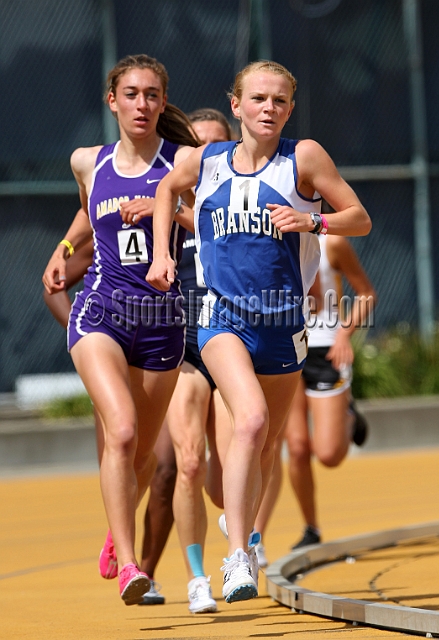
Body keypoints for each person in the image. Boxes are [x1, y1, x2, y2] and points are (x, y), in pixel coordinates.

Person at [147, 59, 372, 604]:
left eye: (279, 101)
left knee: (267, 441)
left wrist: (312, 221)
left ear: (290, 108)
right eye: (258, 99)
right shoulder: (205, 161)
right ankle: (239, 556)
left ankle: (239, 522)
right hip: (223, 320)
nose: (268, 108)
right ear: (236, 105)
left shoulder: (305, 158)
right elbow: (165, 191)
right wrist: (161, 254)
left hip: (284, 323)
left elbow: (358, 218)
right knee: (249, 420)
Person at [42, 54, 198, 606]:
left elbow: (211, 223)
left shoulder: (186, 162)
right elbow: (88, 211)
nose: (142, 104)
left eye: (152, 95)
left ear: (162, 102)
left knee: (143, 461)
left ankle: (117, 526)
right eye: (131, 94)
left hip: (160, 321)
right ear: (112, 101)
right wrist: (64, 249)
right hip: (101, 311)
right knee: (124, 431)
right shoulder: (88, 160)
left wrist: (163, 207)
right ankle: (132, 567)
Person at [138, 107, 233, 613]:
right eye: (197, 148)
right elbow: (113, 219)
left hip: (237, 341)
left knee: (224, 485)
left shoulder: (238, 203)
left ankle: (240, 530)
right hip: (188, 346)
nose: (206, 157)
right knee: (187, 461)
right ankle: (197, 578)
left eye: (217, 147)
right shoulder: (165, 200)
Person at [252, 231, 377, 567]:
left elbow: (366, 294)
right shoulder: (270, 238)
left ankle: (347, 414)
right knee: (294, 446)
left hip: (325, 349)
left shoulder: (332, 243)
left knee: (329, 454)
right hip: (288, 346)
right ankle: (310, 527)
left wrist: (345, 335)